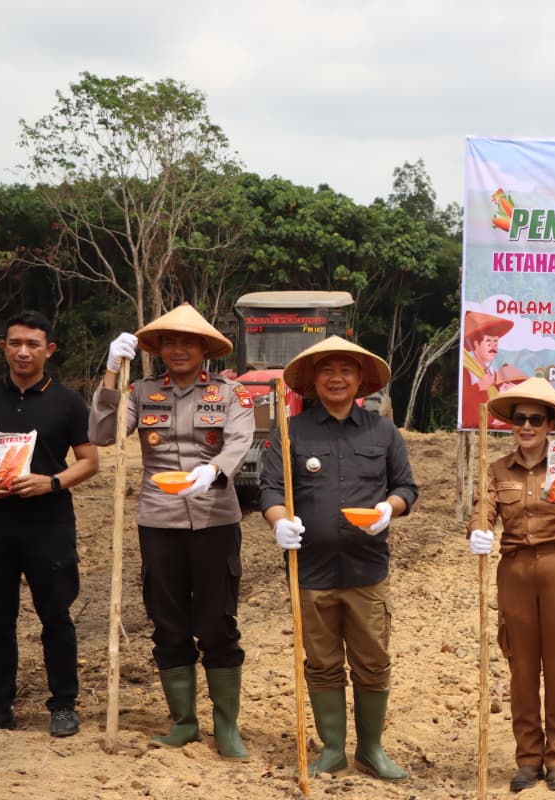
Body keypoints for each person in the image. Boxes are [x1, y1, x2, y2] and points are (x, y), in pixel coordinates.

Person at [89, 303, 254, 759]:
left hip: (215, 517)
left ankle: (226, 728)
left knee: (217, 623)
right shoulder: (140, 391)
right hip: (158, 521)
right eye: (169, 342)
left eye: (188, 342)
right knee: (168, 623)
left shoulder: (231, 393)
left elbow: (241, 441)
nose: (178, 350)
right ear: (157, 349)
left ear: (205, 349)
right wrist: (110, 374)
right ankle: (183, 722)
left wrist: (214, 472)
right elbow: (104, 435)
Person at [259, 336, 418, 781]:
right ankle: (332, 748)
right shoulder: (293, 430)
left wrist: (390, 509)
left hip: (368, 568)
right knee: (322, 662)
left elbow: (407, 487)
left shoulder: (382, 431)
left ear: (360, 381)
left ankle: (370, 749)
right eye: (327, 370)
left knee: (372, 661)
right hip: (310, 571)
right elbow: (271, 489)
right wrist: (278, 522)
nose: (336, 378)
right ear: (313, 380)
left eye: (346, 370)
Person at [467, 378, 555, 793]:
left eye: (535, 420)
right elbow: (483, 509)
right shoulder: (497, 468)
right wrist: (478, 531)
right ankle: (528, 759)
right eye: (519, 419)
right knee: (521, 666)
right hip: (515, 571)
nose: (526, 426)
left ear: (549, 425)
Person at [0, 311, 99, 737]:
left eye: (32, 344)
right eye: (15, 343)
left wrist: (51, 482)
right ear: (3, 348)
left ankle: (63, 703)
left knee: (56, 616)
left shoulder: (67, 402)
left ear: (48, 350)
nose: (23, 351)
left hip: (49, 525)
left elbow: (89, 462)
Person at [461, 310, 528, 428]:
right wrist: (480, 387)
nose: (493, 347)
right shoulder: (467, 370)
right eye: (488, 341)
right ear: (476, 344)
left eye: (496, 342)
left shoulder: (495, 374)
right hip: (476, 426)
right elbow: (463, 403)